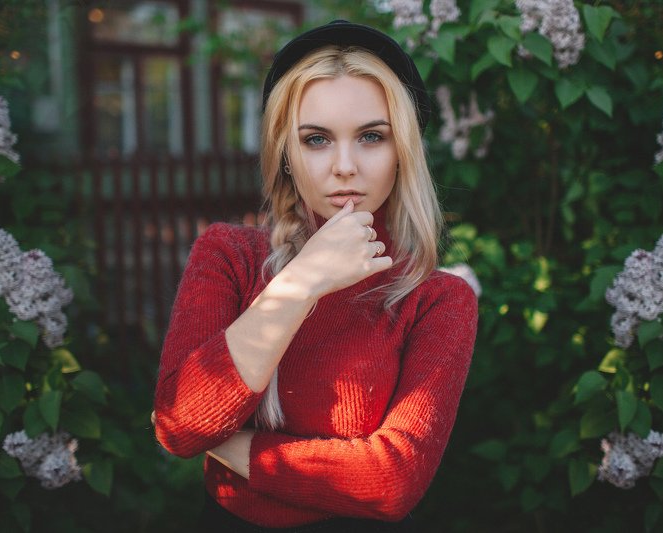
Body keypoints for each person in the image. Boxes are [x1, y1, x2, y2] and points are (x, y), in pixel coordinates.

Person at [152, 20, 478, 532]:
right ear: (286, 152)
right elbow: (182, 422)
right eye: (317, 139)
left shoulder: (437, 298)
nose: (344, 166)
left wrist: (232, 445)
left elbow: (392, 483)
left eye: (372, 137)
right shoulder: (229, 256)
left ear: (403, 151)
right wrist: (302, 281)